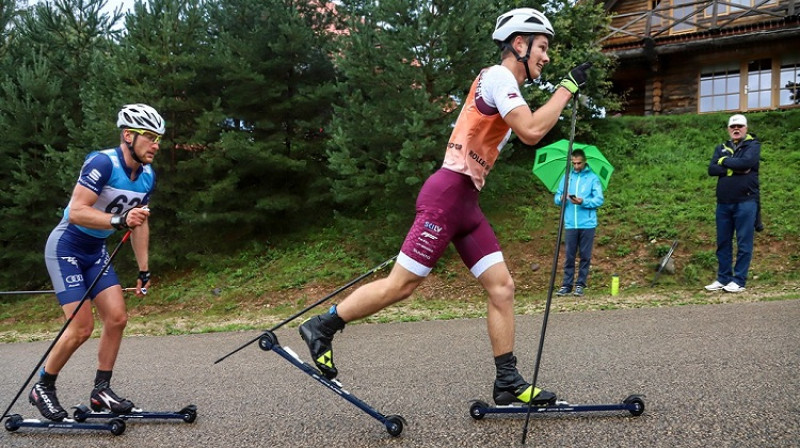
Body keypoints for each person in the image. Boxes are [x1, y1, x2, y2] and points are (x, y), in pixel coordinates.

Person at [299, 8, 591, 407]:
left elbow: (529, 124)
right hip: (446, 196)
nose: (546, 56)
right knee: (402, 285)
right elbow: (531, 131)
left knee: (502, 287)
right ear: (519, 44)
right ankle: (323, 325)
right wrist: (567, 88)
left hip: (466, 203)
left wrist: (563, 92)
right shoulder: (499, 76)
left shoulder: (508, 86)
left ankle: (507, 379)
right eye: (541, 47)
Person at [29, 104, 164, 421]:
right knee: (81, 327)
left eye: (159, 138)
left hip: (95, 250)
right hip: (67, 246)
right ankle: (43, 387)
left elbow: (139, 222)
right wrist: (119, 219)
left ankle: (101, 391)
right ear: (128, 135)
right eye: (149, 136)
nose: (156, 144)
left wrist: (143, 270)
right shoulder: (103, 162)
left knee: (117, 317)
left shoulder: (147, 176)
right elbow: (76, 211)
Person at [704, 113, 760, 294]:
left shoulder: (753, 145)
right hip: (724, 203)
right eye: (733, 127)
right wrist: (733, 167)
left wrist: (724, 162)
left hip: (746, 201)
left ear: (746, 128)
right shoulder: (721, 147)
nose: (736, 129)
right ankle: (723, 278)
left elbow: (747, 163)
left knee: (744, 243)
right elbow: (712, 169)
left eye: (740, 126)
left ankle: (739, 280)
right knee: (723, 242)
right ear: (729, 129)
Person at [554, 149, 604, 297]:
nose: (576, 166)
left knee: (585, 255)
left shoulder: (592, 178)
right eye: (573, 163)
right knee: (569, 255)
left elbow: (599, 199)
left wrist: (583, 201)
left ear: (584, 161)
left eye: (579, 163)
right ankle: (566, 285)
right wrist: (561, 198)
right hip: (570, 223)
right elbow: (556, 197)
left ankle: (580, 284)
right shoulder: (567, 177)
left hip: (587, 223)